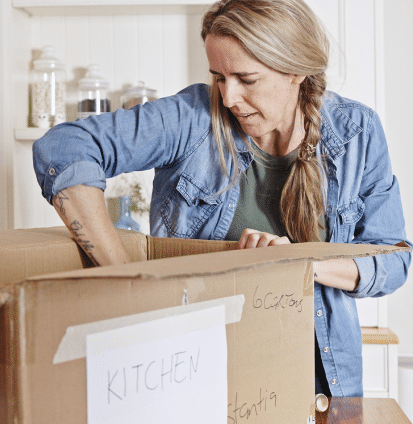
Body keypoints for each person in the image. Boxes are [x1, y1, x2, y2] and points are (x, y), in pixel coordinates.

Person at [32, 0, 410, 397]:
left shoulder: (357, 131)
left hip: (322, 383)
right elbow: (62, 148)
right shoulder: (191, 118)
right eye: (218, 77)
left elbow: (394, 258)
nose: (228, 98)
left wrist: (295, 264)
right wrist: (127, 281)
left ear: (296, 71)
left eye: (246, 79)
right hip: (195, 373)